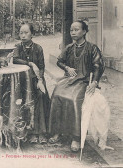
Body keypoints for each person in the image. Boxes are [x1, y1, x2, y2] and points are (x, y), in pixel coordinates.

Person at [48, 20, 105, 152]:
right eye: (71, 30)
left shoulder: (92, 48)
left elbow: (98, 66)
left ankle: (76, 137)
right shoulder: (69, 48)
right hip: (69, 79)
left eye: (76, 30)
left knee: (74, 100)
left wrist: (95, 82)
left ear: (84, 31)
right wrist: (67, 67)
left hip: (84, 81)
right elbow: (59, 62)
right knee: (56, 95)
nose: (73, 32)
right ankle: (57, 131)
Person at [13, 23, 50, 144]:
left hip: (36, 79)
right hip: (22, 80)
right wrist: (30, 63)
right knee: (20, 99)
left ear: (32, 34)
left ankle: (40, 132)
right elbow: (15, 59)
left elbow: (42, 67)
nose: (23, 35)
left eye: (26, 32)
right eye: (21, 33)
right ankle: (27, 131)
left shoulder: (38, 48)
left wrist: (40, 80)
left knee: (40, 96)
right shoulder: (17, 47)